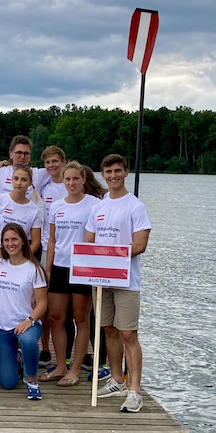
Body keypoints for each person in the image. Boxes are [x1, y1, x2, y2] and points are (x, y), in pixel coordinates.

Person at [86, 153, 151, 413]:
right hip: (101, 278)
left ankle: (134, 389)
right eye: (108, 172)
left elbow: (140, 244)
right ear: (103, 175)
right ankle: (116, 380)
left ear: (125, 172)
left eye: (117, 171)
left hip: (126, 280)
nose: (112, 176)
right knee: (108, 329)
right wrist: (94, 260)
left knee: (128, 333)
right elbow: (89, 241)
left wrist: (111, 257)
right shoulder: (98, 207)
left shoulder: (135, 206)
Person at [42, 161, 101, 385]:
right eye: (68, 179)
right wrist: (48, 269)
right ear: (63, 181)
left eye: (76, 178)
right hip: (60, 266)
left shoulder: (94, 204)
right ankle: (60, 365)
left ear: (84, 179)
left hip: (83, 268)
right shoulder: (56, 206)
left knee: (80, 319)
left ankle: (74, 370)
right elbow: (53, 240)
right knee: (56, 318)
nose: (72, 183)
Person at [0, 223, 48, 399]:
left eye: (14, 239)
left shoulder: (34, 269)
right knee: (8, 383)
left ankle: (31, 380)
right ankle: (17, 357)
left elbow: (42, 303)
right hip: (3, 326)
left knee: (28, 339)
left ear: (23, 241)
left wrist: (29, 320)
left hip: (27, 324)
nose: (11, 244)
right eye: (6, 240)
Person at [35, 145, 67, 366]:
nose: (51, 166)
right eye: (47, 163)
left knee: (71, 308)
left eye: (55, 161)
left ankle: (72, 354)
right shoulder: (44, 186)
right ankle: (45, 348)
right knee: (45, 300)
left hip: (71, 251)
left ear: (63, 162)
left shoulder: (73, 184)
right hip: (48, 246)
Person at [0, 165, 42, 257]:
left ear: (30, 183)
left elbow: (36, 242)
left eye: (24, 180)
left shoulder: (34, 210)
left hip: (19, 256)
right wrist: (2, 257)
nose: (19, 183)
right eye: (16, 178)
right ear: (12, 180)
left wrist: (20, 259)